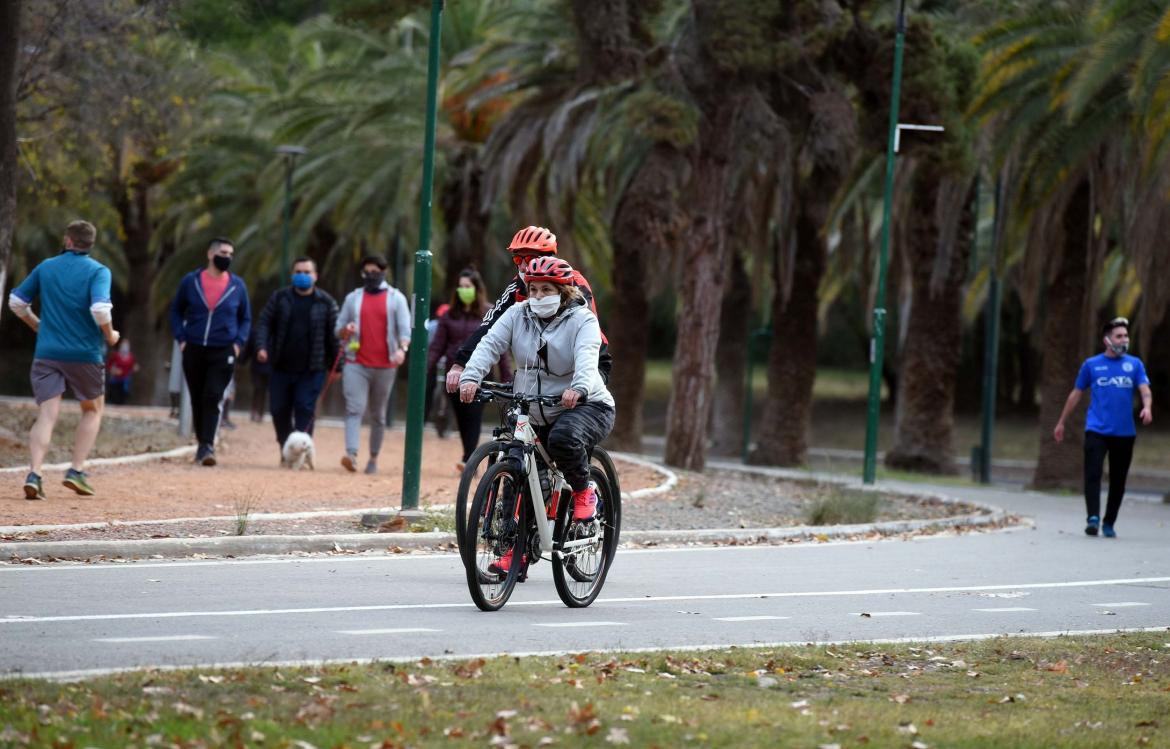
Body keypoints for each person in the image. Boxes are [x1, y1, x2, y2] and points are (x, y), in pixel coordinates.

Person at [459, 256, 615, 573]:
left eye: (546, 289)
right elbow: (490, 344)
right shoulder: (517, 314)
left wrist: (580, 388)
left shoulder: (582, 320)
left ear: (564, 291)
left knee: (564, 439)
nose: (538, 296)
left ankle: (585, 493)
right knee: (519, 466)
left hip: (586, 404)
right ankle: (515, 552)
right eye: (533, 290)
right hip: (535, 404)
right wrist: (470, 376)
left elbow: (587, 357)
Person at [7, 220, 119, 500]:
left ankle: (35, 473)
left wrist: (36, 325)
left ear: (68, 240)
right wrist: (110, 334)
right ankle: (76, 471)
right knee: (92, 410)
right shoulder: (98, 271)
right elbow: (101, 309)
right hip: (85, 354)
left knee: (47, 415)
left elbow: (16, 303)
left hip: (47, 353)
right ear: (90, 244)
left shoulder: (46, 267)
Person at [445, 225, 611, 394]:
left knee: (576, 411)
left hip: (589, 360)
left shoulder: (573, 282)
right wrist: (460, 364)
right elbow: (489, 325)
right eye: (518, 260)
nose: (523, 266)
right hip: (544, 368)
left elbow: (584, 329)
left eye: (530, 258)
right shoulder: (517, 286)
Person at [1053, 316, 1153, 538]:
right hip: (1096, 430)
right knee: (1093, 473)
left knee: (1118, 480)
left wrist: (1147, 407)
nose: (1124, 340)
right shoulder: (1092, 365)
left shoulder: (1134, 365)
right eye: (1119, 336)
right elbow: (1076, 393)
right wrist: (1061, 421)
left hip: (1124, 433)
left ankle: (1109, 522)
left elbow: (1145, 390)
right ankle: (1093, 518)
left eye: (1126, 336)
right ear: (1107, 340)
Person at [168, 237, 251, 466]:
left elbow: (245, 318)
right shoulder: (191, 281)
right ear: (210, 254)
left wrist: (238, 342)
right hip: (193, 347)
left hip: (223, 349)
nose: (227, 257)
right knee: (197, 396)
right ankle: (201, 442)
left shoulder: (237, 286)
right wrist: (181, 339)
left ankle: (207, 447)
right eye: (224, 252)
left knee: (213, 395)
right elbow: (176, 311)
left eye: (231, 254)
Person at [254, 257, 340, 460]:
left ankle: (302, 452)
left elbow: (334, 336)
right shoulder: (280, 298)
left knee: (304, 408)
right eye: (298, 272)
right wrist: (261, 346)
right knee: (278, 410)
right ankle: (286, 447)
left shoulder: (326, 303)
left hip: (312, 369)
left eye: (307, 272)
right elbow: (264, 323)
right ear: (293, 275)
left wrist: (338, 365)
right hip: (281, 367)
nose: (302, 276)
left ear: (315, 276)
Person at [428, 269, 512, 468]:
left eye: (468, 286)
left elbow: (499, 347)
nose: (464, 290)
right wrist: (426, 369)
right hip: (453, 376)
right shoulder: (449, 315)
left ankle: (468, 460)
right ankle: (468, 455)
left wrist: (507, 376)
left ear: (476, 288)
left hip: (480, 375)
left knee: (473, 417)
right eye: (461, 286)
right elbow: (437, 347)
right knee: (461, 418)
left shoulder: (489, 313)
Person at [336, 255, 411, 474]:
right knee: (354, 408)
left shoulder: (396, 298)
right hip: (356, 362)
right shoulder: (353, 298)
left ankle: (373, 458)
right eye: (366, 271)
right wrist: (346, 330)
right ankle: (351, 453)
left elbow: (405, 331)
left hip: (386, 365)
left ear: (383, 272)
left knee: (378, 414)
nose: (370, 275)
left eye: (375, 271)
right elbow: (338, 328)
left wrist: (401, 350)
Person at [105, 339, 138, 405]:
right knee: (113, 389)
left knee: (125, 390)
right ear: (120, 346)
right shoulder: (115, 355)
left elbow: (134, 366)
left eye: (126, 345)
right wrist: (114, 370)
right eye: (123, 345)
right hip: (115, 377)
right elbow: (108, 365)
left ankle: (122, 403)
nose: (125, 347)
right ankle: (110, 401)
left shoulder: (131, 357)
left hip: (125, 378)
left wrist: (135, 368)